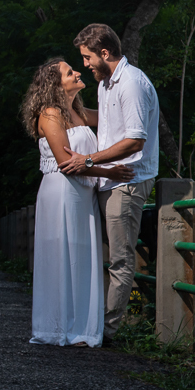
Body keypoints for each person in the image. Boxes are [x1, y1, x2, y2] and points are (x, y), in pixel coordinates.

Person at [21, 58, 134, 347]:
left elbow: (115, 116)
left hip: (83, 193)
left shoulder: (79, 111)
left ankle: (83, 328)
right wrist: (109, 171)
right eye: (70, 72)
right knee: (62, 256)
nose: (77, 73)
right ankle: (59, 327)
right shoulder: (50, 114)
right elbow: (65, 163)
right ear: (55, 83)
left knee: (82, 258)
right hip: (61, 192)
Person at [58, 24, 160, 344]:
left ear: (104, 54)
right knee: (107, 257)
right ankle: (96, 324)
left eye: (87, 58)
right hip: (107, 182)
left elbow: (134, 141)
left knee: (121, 259)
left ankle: (109, 332)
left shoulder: (131, 84)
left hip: (127, 181)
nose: (85, 65)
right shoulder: (105, 85)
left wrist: (88, 161)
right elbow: (105, 125)